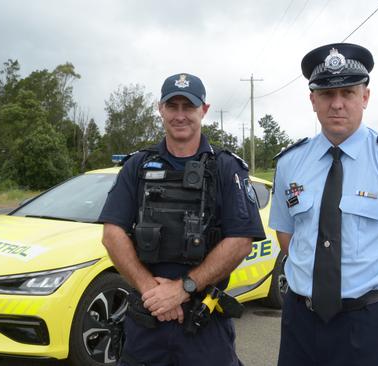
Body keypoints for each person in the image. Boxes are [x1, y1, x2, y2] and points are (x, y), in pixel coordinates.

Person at [269, 43, 378, 366]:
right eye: (326, 95)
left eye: (348, 93)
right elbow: (288, 235)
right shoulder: (291, 163)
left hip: (367, 326)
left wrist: (374, 293)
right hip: (299, 323)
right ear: (313, 101)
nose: (337, 104)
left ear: (365, 97)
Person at [99, 73, 265, 365]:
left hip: (204, 323)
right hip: (147, 320)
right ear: (160, 109)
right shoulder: (137, 166)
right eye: (171, 106)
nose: (180, 115)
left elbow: (240, 240)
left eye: (188, 107)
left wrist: (183, 288)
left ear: (204, 110)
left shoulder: (226, 167)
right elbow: (112, 234)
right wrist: (153, 292)